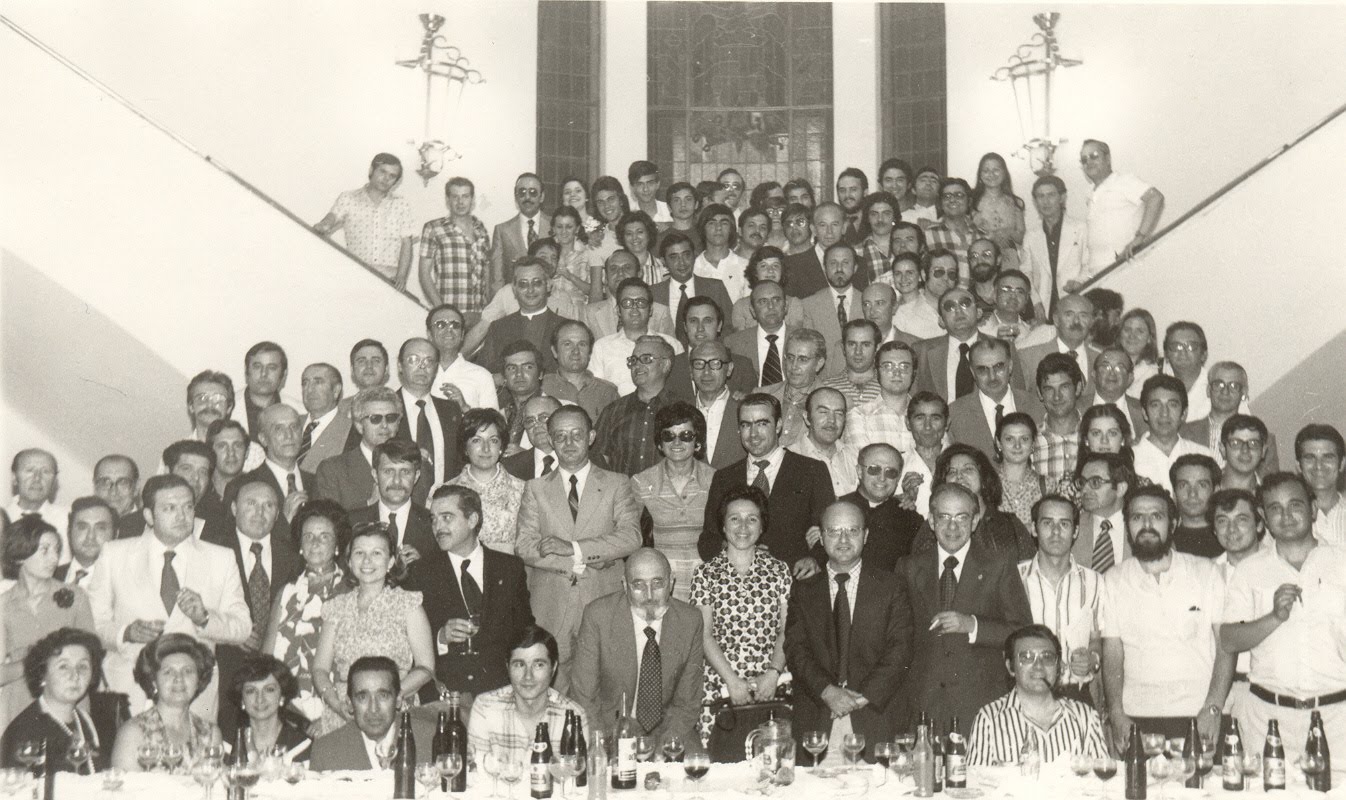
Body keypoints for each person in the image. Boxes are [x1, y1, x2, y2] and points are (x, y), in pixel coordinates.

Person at [88, 475, 250, 719]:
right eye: (169, 508)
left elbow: (242, 628)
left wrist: (204, 618)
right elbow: (92, 625)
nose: (182, 516)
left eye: (188, 507)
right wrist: (126, 633)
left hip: (194, 697)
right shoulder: (114, 554)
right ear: (149, 516)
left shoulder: (221, 558)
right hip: (127, 692)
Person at [1221, 473, 1346, 769]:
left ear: (1313, 509)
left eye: (1295, 505)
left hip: (1337, 718)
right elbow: (1229, 639)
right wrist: (1274, 617)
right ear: (1264, 516)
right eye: (1275, 508)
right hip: (1267, 719)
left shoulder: (1342, 563)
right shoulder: (1249, 570)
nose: (1286, 516)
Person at [515, 405, 642, 690]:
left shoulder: (616, 483)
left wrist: (573, 549)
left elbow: (631, 537)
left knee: (602, 688)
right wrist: (578, 562)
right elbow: (524, 545)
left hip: (602, 601)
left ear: (592, 436)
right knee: (550, 691)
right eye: (560, 436)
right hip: (550, 606)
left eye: (577, 435)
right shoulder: (535, 488)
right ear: (550, 439)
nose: (569, 443)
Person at [898, 483, 1033, 738]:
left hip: (980, 707)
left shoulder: (999, 566)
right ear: (930, 520)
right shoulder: (908, 567)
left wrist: (973, 626)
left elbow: (1023, 632)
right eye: (944, 517)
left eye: (962, 517)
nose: (952, 527)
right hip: (923, 706)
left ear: (974, 522)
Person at [1101, 485, 1232, 743]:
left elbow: (1225, 646)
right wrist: (1116, 713)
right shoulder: (1113, 579)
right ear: (1127, 526)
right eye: (1137, 517)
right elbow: (1113, 653)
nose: (1147, 525)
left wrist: (1213, 708)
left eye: (1157, 516)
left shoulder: (1205, 572)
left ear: (1173, 524)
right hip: (1137, 718)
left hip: (1200, 715)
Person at [786, 500, 912, 763]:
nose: (843, 539)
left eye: (852, 531)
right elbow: (796, 650)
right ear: (820, 537)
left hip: (874, 715)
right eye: (833, 531)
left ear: (865, 536)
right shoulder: (803, 590)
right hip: (820, 716)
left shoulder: (892, 586)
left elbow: (901, 649)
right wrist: (828, 692)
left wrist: (860, 698)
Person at [406, 485, 533, 705]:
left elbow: (525, 632)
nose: (438, 527)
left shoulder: (509, 568)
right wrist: (441, 638)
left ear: (472, 519)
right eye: (434, 519)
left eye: (447, 518)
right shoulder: (420, 573)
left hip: (503, 695)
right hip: (446, 698)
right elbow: (408, 645)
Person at [310, 522, 436, 736]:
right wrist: (336, 704)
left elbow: (426, 667)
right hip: (345, 713)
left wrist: (388, 698)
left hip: (394, 713)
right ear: (349, 562)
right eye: (359, 553)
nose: (367, 561)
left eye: (377, 553)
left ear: (391, 562)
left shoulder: (408, 604)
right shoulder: (335, 607)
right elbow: (320, 668)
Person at [572, 548, 706, 748]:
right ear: (625, 585)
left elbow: (687, 703)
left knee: (699, 763)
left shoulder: (690, 620)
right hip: (612, 729)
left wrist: (665, 747)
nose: (649, 595)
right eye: (638, 585)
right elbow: (585, 697)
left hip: (667, 728)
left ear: (671, 582)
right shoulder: (598, 616)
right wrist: (602, 745)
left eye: (658, 583)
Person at [202, 478, 303, 737]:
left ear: (278, 513)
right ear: (234, 508)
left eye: (269, 505)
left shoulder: (293, 555)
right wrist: (234, 633)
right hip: (224, 667)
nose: (260, 512)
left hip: (278, 673)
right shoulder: (210, 550)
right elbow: (200, 609)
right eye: (251, 503)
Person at [689, 487, 790, 740]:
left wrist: (773, 673)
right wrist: (732, 681)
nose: (743, 526)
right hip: (721, 684)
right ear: (723, 526)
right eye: (734, 518)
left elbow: (786, 630)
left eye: (752, 518)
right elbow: (704, 635)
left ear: (762, 525)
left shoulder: (779, 571)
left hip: (771, 683)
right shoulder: (705, 574)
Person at [699, 393, 835, 579]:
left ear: (779, 425)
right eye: (746, 425)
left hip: (795, 583)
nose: (753, 433)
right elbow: (708, 540)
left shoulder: (812, 471)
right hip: (738, 584)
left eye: (762, 424)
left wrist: (815, 560)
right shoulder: (724, 478)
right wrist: (734, 547)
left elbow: (830, 531)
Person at [0, 516, 96, 730]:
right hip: (19, 706)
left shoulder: (75, 597)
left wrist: (30, 658)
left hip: (70, 704)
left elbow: (91, 658)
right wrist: (38, 658)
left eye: (56, 550)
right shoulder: (4, 605)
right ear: (19, 555)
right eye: (44, 550)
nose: (54, 558)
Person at [262, 500, 351, 726]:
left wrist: (331, 714)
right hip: (287, 711)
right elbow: (267, 659)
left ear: (338, 544)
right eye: (308, 536)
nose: (315, 543)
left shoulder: (351, 593)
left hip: (338, 710)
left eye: (324, 536)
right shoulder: (287, 592)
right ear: (300, 544)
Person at [967, 625, 1108, 765]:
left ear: (1058, 666)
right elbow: (973, 785)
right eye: (1027, 657)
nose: (1039, 665)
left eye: (1047, 657)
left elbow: (1104, 784)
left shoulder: (1085, 718)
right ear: (1011, 667)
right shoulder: (989, 720)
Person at [1017, 495, 1106, 708]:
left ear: (1075, 531)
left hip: (1076, 696)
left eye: (1064, 524)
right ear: (1034, 528)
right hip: (1026, 696)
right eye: (1047, 523)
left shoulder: (1095, 581)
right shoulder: (1015, 578)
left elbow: (1097, 639)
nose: (1056, 532)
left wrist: (1091, 660)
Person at [630, 402, 716, 602]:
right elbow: (628, 533)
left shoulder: (716, 480)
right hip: (662, 583)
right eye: (669, 436)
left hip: (708, 582)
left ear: (698, 442)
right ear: (660, 443)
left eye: (686, 436)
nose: (677, 442)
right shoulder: (641, 482)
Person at [467, 625, 587, 761]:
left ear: (553, 668)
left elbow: (578, 778)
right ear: (508, 667)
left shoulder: (574, 716)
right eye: (519, 664)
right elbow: (476, 776)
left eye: (538, 665)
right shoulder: (485, 707)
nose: (528, 676)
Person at [110, 633, 222, 770]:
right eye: (168, 672)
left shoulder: (210, 734)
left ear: (198, 681)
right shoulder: (133, 733)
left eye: (187, 671)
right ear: (154, 681)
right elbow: (122, 790)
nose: (179, 678)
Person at [0, 627, 106, 772]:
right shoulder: (24, 732)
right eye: (63, 667)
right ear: (42, 675)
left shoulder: (84, 720)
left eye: (83, 666)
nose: (75, 675)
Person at [911, 445, 1037, 561]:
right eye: (952, 472)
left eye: (968, 469)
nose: (959, 476)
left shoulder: (1009, 525)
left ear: (983, 478)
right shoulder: (933, 526)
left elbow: (1029, 572)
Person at [310, 655, 436, 771]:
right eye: (362, 697)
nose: (373, 709)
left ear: (398, 700)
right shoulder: (325, 752)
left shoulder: (432, 741)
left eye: (383, 696)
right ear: (349, 703)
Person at [313, 153, 416, 289]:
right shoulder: (348, 198)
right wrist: (324, 224)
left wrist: (401, 277)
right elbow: (332, 217)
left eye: (392, 176)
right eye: (383, 172)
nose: (386, 179)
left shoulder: (401, 204)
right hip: (356, 275)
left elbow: (406, 243)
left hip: (389, 279)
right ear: (371, 170)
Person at [223, 403, 314, 541]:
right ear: (263, 439)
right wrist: (284, 522)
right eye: (278, 429)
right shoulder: (242, 485)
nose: (288, 435)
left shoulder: (318, 481)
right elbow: (234, 543)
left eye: (294, 427)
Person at [1209, 488, 1262, 722]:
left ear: (1259, 525)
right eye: (1223, 521)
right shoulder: (1205, 573)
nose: (1231, 530)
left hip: (1261, 690)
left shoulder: (1277, 569)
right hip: (1215, 688)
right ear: (1214, 529)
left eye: (1241, 520)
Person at [593, 335, 678, 476]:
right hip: (623, 496)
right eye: (633, 360)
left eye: (646, 359)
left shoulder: (682, 409)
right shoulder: (613, 411)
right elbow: (598, 460)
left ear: (665, 365)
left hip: (667, 496)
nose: (637, 365)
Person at [316, 387, 410, 512]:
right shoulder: (333, 470)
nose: (384, 425)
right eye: (375, 419)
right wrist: (369, 504)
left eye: (391, 418)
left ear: (398, 423)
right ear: (359, 426)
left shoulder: (412, 466)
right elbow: (328, 524)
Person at [475, 259, 575, 376]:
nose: (530, 289)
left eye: (537, 283)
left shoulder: (567, 328)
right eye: (523, 284)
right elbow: (483, 374)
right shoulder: (498, 328)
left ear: (548, 286)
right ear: (514, 289)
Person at [948, 338, 1045, 457]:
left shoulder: (1038, 407)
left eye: (999, 366)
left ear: (1010, 366)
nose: (992, 376)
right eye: (982, 370)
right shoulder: (954, 415)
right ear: (972, 373)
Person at [444, 410, 524, 554]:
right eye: (476, 440)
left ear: (501, 447)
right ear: (465, 448)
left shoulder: (523, 490)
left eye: (493, 440)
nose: (486, 448)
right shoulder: (445, 492)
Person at [1079, 139, 1164, 270]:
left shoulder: (1123, 181)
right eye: (1084, 160)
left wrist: (1139, 238)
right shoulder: (1089, 193)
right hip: (1097, 271)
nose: (1088, 162)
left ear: (1107, 158)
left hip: (1123, 267)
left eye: (1094, 156)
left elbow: (1155, 198)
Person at [349, 439, 437, 567]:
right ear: (375, 475)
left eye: (405, 472)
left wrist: (422, 566)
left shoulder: (433, 525)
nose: (397, 481)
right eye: (388, 471)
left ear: (417, 476)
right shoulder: (353, 522)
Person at [591, 279, 683, 397]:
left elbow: (679, 390)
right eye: (627, 303)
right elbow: (597, 394)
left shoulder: (672, 345)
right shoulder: (602, 347)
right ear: (618, 310)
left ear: (650, 310)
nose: (634, 308)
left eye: (641, 303)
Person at [394, 337, 465, 489]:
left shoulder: (451, 410)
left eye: (429, 361)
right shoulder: (386, 410)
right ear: (400, 366)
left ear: (436, 368)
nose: (422, 367)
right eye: (413, 359)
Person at [1182, 362, 1279, 473]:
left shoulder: (1264, 440)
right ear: (1208, 390)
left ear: (1243, 393)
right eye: (1218, 384)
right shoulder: (1183, 433)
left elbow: (1269, 485)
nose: (1225, 392)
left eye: (1233, 386)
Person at [839, 444, 924, 572]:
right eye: (874, 469)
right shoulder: (835, 510)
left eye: (891, 472)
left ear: (898, 478)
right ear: (859, 471)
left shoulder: (910, 519)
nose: (882, 478)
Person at [419, 176, 492, 318]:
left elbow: (487, 270)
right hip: (450, 313)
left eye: (465, 196)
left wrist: (489, 307)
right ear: (448, 200)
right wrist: (442, 310)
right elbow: (424, 274)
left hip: (479, 314)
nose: (460, 202)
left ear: (472, 199)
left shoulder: (481, 228)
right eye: (455, 197)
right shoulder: (433, 228)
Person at [1132, 375, 1215, 493]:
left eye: (1172, 405)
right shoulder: (1131, 458)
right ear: (1145, 413)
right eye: (1155, 405)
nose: (1164, 413)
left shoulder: (1202, 454)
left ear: (1184, 413)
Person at [1022, 175, 1090, 319]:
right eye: (1040, 196)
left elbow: (1088, 265)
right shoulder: (1031, 235)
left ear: (1062, 197)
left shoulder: (1080, 228)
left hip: (1074, 303)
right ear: (1035, 201)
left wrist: (1079, 282)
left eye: (1051, 195)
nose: (1045, 201)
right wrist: (1035, 302)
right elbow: (1026, 273)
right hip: (1044, 308)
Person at [666, 298, 757, 403]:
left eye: (707, 321)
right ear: (685, 327)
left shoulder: (742, 366)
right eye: (693, 321)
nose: (700, 328)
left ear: (719, 326)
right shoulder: (670, 366)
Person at [912, 287, 993, 403]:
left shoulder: (1001, 348)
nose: (958, 311)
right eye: (949, 307)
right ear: (941, 321)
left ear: (979, 312)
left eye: (965, 303)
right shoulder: (921, 351)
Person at [654, 232, 734, 344]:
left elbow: (729, 328)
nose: (681, 262)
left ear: (694, 255)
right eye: (674, 257)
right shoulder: (653, 293)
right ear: (663, 262)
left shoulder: (715, 288)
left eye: (686, 255)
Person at [231, 654, 311, 762]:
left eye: (269, 689)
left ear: (282, 696)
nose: (260, 699)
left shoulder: (301, 745)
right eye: (251, 691)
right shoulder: (228, 743)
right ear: (242, 699)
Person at [582, 250, 676, 340]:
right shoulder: (589, 313)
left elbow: (671, 351)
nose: (620, 273)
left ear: (639, 274)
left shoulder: (660, 313)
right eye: (613, 269)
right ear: (606, 278)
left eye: (627, 268)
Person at [683, 341, 748, 468]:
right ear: (691, 371)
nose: (706, 372)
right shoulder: (680, 411)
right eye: (699, 364)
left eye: (715, 364)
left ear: (729, 369)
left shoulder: (745, 409)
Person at [845, 341, 918, 454]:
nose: (896, 373)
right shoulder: (859, 416)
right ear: (877, 371)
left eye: (904, 366)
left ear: (913, 372)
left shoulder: (926, 415)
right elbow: (862, 464)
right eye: (888, 366)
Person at [800, 244, 864, 372]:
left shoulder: (867, 302)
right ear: (825, 268)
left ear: (855, 267)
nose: (839, 269)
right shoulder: (808, 305)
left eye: (845, 263)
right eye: (833, 263)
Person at [785, 202, 869, 299]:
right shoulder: (793, 265)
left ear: (844, 228)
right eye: (823, 225)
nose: (829, 231)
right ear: (813, 229)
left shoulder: (860, 264)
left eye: (835, 224)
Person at [543, 320, 621, 422]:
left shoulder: (608, 392)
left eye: (582, 344)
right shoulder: (542, 388)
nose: (575, 351)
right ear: (554, 351)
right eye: (567, 344)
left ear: (589, 352)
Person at [788, 387, 860, 498]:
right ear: (807, 418)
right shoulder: (789, 458)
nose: (832, 420)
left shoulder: (855, 456)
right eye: (823, 412)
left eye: (839, 414)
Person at [1016, 292, 1098, 387]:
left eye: (1083, 316)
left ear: (1091, 322)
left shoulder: (1099, 360)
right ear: (1056, 320)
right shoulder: (1028, 358)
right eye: (1069, 315)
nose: (1076, 321)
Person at [427, 304, 499, 412]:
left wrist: (465, 408)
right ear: (429, 334)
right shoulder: (420, 373)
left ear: (462, 335)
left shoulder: (482, 376)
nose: (449, 330)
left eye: (455, 325)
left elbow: (493, 425)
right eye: (441, 325)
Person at [1072, 451, 1133, 572]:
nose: (1085, 490)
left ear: (1120, 489)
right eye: (1082, 482)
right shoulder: (1073, 527)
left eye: (1095, 482)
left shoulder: (1139, 527)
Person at [724, 280, 792, 389]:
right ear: (753, 311)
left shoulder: (804, 338)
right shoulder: (733, 343)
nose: (771, 306)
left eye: (776, 300)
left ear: (786, 306)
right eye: (763, 301)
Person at [488, 173, 550, 292]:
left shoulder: (554, 226)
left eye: (533, 192)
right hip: (513, 303)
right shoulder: (502, 231)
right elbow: (497, 280)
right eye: (522, 192)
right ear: (516, 197)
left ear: (541, 197)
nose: (527, 197)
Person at [6, 448, 69, 563]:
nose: (37, 478)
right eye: (30, 470)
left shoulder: (68, 519)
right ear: (15, 478)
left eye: (46, 472)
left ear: (54, 481)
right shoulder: (3, 519)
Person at [1034, 353, 1084, 492]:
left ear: (1078, 388)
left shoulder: (1095, 436)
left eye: (1064, 387)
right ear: (1039, 393)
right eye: (1049, 389)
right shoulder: (1030, 443)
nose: (1057, 396)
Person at [969, 152, 1026, 271]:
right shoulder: (971, 201)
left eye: (996, 170)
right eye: (986, 170)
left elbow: (1021, 237)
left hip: (1008, 256)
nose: (991, 174)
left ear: (1004, 173)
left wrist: (1008, 232)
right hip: (980, 256)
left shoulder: (1015, 202)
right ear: (980, 175)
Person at [730, 246, 805, 332]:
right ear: (755, 272)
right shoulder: (741, 306)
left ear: (782, 271)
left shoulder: (793, 304)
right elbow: (740, 340)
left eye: (775, 266)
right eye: (763, 266)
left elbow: (795, 337)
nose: (770, 270)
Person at [925, 179, 985, 286]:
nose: (952, 200)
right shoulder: (928, 235)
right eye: (947, 196)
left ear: (969, 201)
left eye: (959, 195)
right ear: (941, 203)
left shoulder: (983, 237)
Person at [1082, 347, 1149, 440]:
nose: (1112, 373)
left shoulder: (1143, 411)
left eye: (1120, 367)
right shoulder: (1077, 408)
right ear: (1093, 374)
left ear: (1130, 378)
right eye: (1106, 367)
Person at [901, 391, 950, 518]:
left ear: (947, 423)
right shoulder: (897, 465)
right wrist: (900, 500)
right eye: (920, 418)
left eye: (935, 418)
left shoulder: (961, 463)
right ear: (907, 422)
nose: (927, 426)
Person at [1297, 424, 1346, 546]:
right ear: (1298, 466)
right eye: (1310, 458)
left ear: (1342, 464)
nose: (1319, 466)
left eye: (1328, 457)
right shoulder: (1290, 519)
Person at [295, 363, 348, 474]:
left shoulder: (350, 429)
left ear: (336, 390)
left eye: (318, 382)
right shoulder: (292, 423)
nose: (309, 389)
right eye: (305, 383)